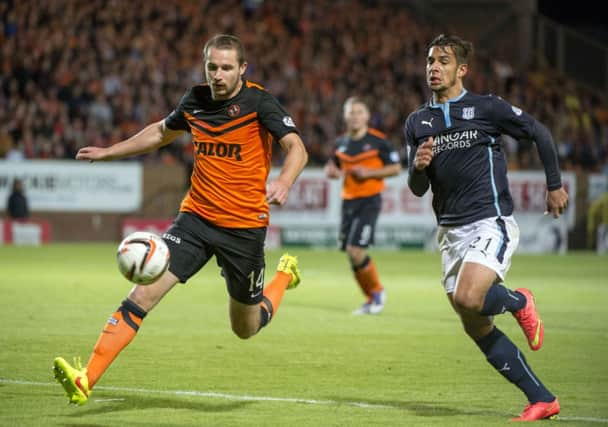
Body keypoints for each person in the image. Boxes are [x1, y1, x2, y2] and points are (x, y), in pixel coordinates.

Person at [53, 34, 308, 405]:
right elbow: (160, 132)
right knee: (143, 292)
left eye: (226, 68)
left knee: (245, 328)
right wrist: (110, 152)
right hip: (195, 220)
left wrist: (284, 181)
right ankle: (85, 378)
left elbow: (296, 147)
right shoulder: (195, 100)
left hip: (244, 230)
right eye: (212, 67)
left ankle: (285, 276)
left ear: (242, 69)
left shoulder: (259, 102)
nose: (218, 75)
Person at [404, 34, 568, 421]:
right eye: (429, 60)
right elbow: (417, 189)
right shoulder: (417, 122)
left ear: (461, 69)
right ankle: (542, 398)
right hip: (449, 234)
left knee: (468, 299)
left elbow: (539, 133)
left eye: (442, 61)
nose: (433, 67)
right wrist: (418, 167)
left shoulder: (487, 108)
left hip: (489, 222)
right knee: (475, 326)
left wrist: (555, 184)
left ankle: (519, 301)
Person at [325, 97, 401, 314]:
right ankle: (371, 298)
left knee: (356, 250)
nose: (355, 116)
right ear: (345, 117)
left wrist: (370, 173)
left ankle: (377, 292)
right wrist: (331, 172)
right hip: (347, 201)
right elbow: (333, 167)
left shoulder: (379, 142)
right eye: (351, 112)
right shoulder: (340, 144)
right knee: (351, 254)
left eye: (359, 112)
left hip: (369, 201)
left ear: (367, 116)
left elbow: (395, 168)